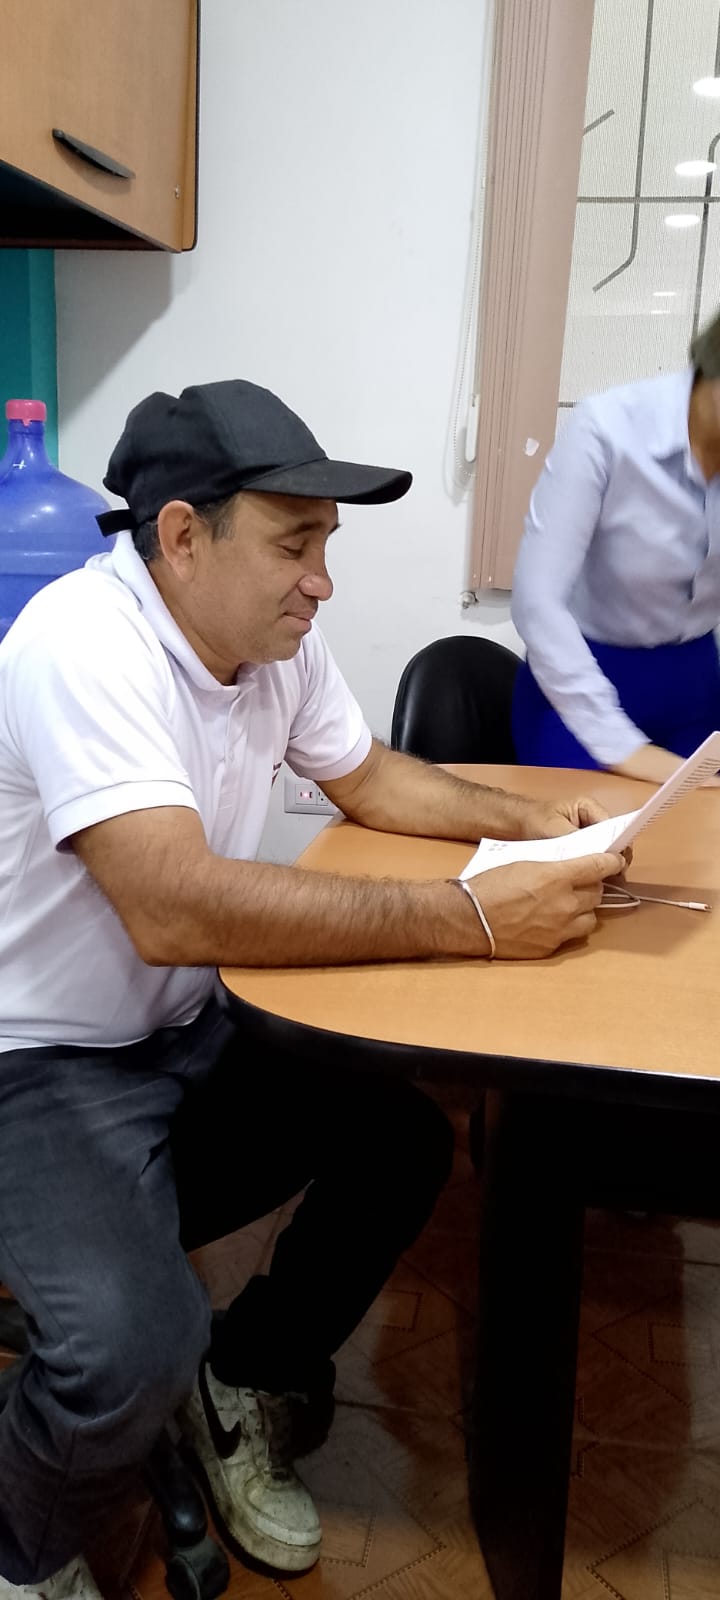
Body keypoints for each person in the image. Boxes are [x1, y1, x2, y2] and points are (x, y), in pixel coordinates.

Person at [0, 379, 622, 1600]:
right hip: (42, 1063)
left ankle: (245, 1376)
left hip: (182, 1027)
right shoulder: (81, 645)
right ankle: (20, 1546)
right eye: (296, 544)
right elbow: (174, 904)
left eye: (326, 545)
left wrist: (535, 826)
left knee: (401, 1139)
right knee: (127, 1349)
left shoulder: (265, 645)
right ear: (183, 536)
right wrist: (474, 921)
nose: (321, 581)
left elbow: (371, 777)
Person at [511, 310, 720, 781]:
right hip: (584, 678)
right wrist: (621, 747)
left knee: (702, 825)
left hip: (694, 679)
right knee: (588, 823)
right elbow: (536, 600)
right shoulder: (607, 427)